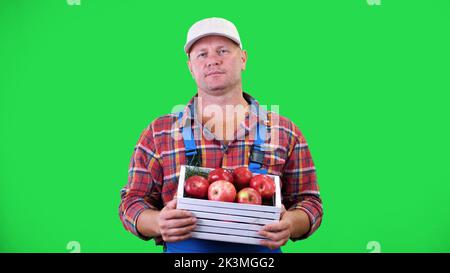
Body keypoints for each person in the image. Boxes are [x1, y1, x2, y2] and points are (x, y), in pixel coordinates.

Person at [119, 17, 323, 253]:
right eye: (202, 54)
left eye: (223, 51)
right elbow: (132, 201)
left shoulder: (285, 131)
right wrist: (157, 222)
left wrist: (291, 223)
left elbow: (310, 203)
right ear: (190, 67)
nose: (212, 60)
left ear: (244, 59)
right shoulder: (159, 132)